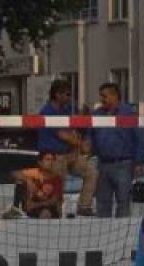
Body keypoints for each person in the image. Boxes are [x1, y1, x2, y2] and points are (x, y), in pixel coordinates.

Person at [37, 79, 97, 217]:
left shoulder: (65, 110)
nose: (70, 98)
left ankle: (84, 205)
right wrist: (81, 145)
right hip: (54, 156)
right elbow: (62, 134)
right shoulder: (48, 111)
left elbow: (73, 131)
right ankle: (55, 213)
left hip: (69, 153)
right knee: (57, 187)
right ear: (58, 95)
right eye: (67, 94)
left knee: (91, 172)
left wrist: (82, 141)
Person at [92, 82, 144, 218]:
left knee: (123, 201)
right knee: (102, 202)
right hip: (103, 163)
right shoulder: (97, 114)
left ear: (114, 96)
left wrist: (139, 162)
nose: (102, 100)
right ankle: (103, 233)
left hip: (123, 164)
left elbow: (139, 139)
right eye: (101, 96)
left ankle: (122, 232)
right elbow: (91, 135)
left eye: (104, 96)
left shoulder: (128, 114)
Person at [11, 150, 66, 219]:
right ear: (40, 162)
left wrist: (35, 205)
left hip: (48, 208)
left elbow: (53, 201)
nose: (51, 162)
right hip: (32, 208)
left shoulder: (56, 178)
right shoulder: (34, 172)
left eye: (53, 160)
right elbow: (14, 173)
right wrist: (28, 180)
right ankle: (16, 209)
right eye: (47, 159)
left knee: (45, 212)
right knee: (20, 182)